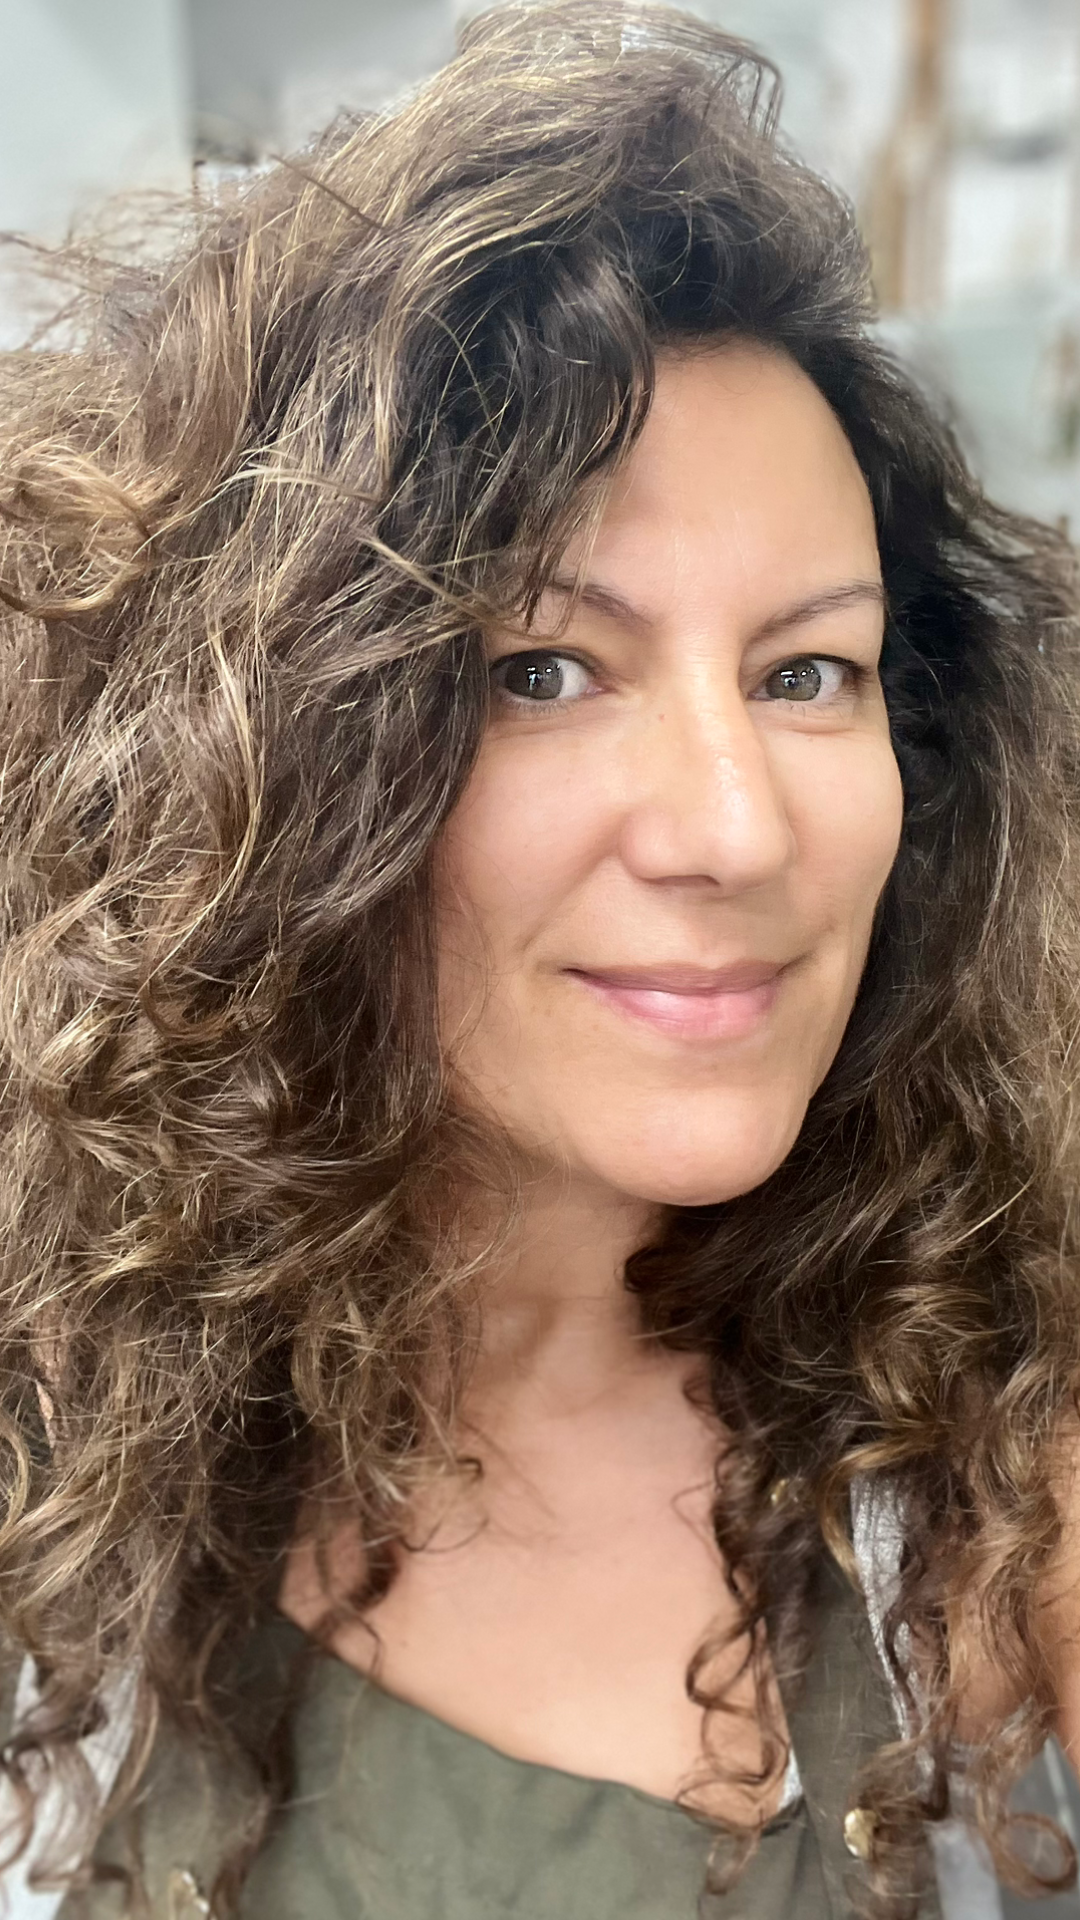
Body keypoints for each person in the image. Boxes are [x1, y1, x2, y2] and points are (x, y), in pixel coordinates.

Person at [1, 3, 1080, 1915]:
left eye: (807, 672)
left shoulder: (1004, 1466)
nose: (738, 828)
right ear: (254, 772)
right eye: (544, 671)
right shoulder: (58, 1435)